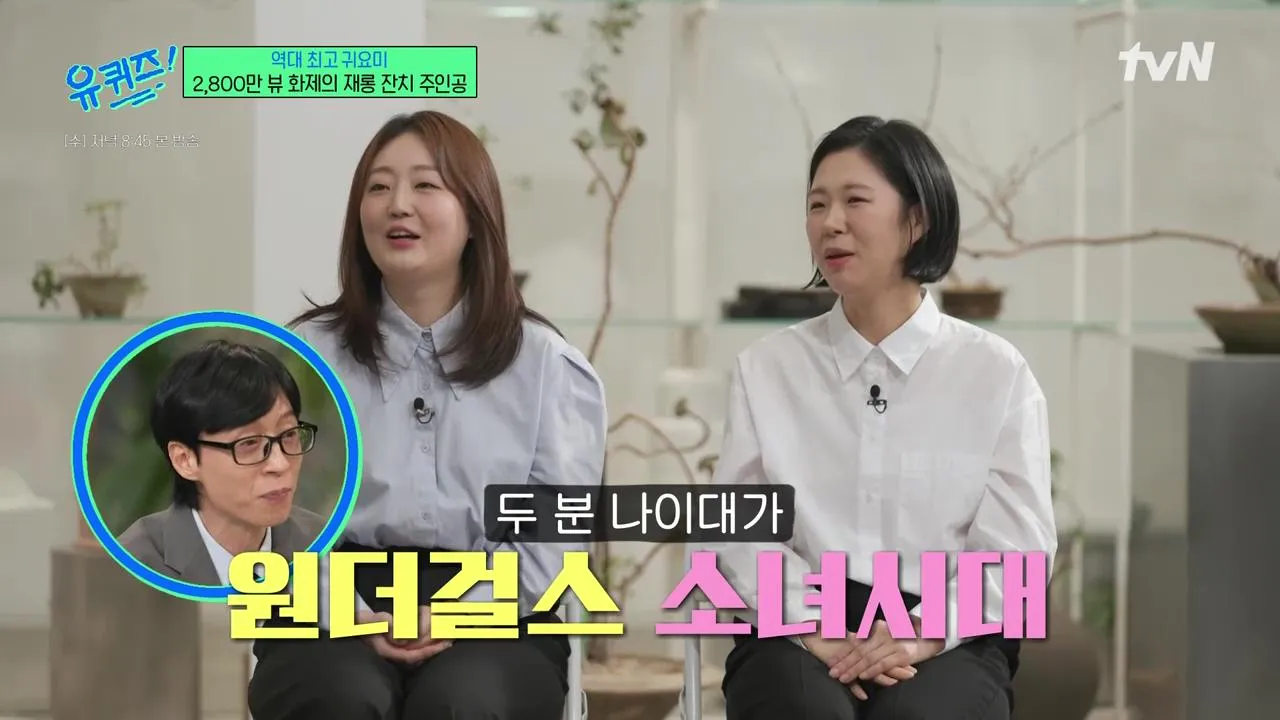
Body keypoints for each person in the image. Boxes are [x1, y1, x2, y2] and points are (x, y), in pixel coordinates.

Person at [247, 110, 607, 720]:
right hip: (328, 596)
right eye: (379, 187)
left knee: (463, 703)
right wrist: (351, 610)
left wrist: (457, 611)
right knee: (340, 698)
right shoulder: (304, 357)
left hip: (500, 606)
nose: (398, 205)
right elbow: (268, 516)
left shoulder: (545, 363)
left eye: (425, 185)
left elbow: (553, 541)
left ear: (475, 216)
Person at [710, 116, 1056, 720]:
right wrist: (812, 625)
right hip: (795, 629)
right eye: (817, 204)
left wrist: (922, 632)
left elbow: (1020, 552)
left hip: (947, 631)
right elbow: (736, 533)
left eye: (855, 201)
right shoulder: (766, 369)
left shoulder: (996, 373)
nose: (830, 222)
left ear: (916, 220)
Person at [117, 339, 325, 586]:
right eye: (249, 443)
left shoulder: (322, 543)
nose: (280, 464)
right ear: (185, 460)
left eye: (289, 434)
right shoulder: (134, 564)